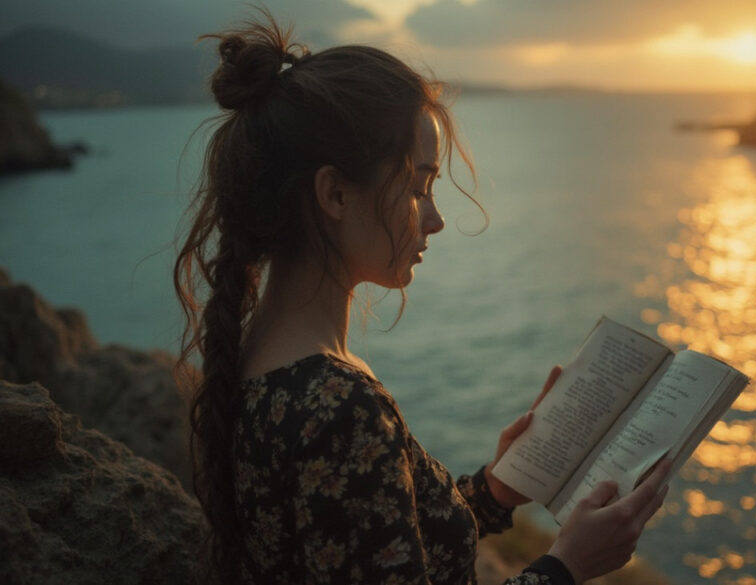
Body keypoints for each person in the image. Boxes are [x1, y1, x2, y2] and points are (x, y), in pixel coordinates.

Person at [174, 13, 670, 585]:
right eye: (416, 188)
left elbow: (370, 540)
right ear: (334, 193)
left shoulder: (261, 361)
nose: (433, 220)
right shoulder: (336, 406)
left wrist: (496, 490)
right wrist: (567, 565)